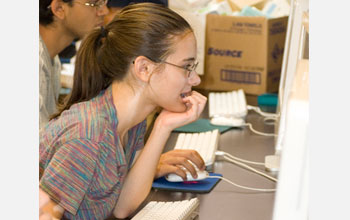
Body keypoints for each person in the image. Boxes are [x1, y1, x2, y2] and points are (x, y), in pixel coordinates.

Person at [39, 3, 207, 219]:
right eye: (187, 67)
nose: (196, 79)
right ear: (144, 69)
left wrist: (163, 126)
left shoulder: (130, 121)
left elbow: (122, 207)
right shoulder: (88, 137)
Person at [39, 0, 109, 130]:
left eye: (104, 2)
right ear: (59, 8)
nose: (104, 11)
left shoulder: (53, 59)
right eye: (95, 4)